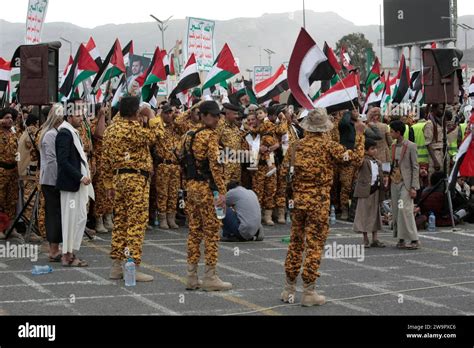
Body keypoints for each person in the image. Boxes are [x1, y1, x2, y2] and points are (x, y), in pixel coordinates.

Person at [281, 108, 365, 307]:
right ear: (324, 128)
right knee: (314, 245)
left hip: (298, 202)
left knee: (295, 242)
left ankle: (289, 288)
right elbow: (355, 159)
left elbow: (285, 172)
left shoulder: (295, 146)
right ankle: (309, 291)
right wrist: (360, 135)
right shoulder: (329, 147)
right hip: (318, 202)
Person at [102, 98, 163, 282]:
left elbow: (105, 159)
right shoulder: (131, 127)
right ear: (134, 112)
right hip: (135, 179)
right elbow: (158, 136)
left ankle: (116, 266)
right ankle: (133, 267)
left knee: (121, 222)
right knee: (136, 222)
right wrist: (152, 115)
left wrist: (108, 184)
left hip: (119, 178)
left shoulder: (111, 128)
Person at [179, 100, 231, 291]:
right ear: (206, 116)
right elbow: (216, 166)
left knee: (194, 231)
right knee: (211, 232)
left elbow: (181, 159)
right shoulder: (209, 136)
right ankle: (210, 276)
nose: (218, 119)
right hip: (209, 189)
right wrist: (222, 192)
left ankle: (191, 276)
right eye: (215, 115)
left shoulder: (188, 135)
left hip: (191, 187)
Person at [56, 99, 95, 267]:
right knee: (70, 220)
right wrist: (80, 176)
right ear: (69, 115)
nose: (82, 118)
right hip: (71, 185)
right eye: (78, 115)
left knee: (79, 218)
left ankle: (71, 253)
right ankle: (67, 256)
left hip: (78, 185)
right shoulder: (64, 133)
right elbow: (63, 162)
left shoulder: (72, 131)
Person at [389, 120, 420, 250]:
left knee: (405, 210)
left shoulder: (411, 146)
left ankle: (414, 239)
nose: (390, 133)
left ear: (398, 132)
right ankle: (400, 238)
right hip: (394, 181)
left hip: (406, 183)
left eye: (392, 131)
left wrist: (414, 187)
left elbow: (415, 167)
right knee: (396, 210)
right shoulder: (393, 146)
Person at [39, 104, 64, 262]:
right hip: (51, 180)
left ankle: (55, 247)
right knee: (53, 215)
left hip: (54, 179)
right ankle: (53, 250)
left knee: (56, 214)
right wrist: (59, 180)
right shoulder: (50, 135)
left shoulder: (55, 132)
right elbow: (52, 160)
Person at [353, 138, 385, 248]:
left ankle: (375, 238)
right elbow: (356, 161)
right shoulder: (362, 161)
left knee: (375, 214)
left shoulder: (378, 162)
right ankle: (365, 238)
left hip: (376, 190)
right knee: (364, 214)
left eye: (375, 148)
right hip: (365, 191)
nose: (375, 150)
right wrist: (360, 148)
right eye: (372, 149)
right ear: (365, 151)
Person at [155, 104, 181, 229]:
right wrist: (159, 115)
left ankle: (171, 217)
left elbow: (183, 121)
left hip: (175, 166)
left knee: (173, 193)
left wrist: (177, 114)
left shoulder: (176, 128)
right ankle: (162, 218)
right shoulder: (159, 127)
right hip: (163, 165)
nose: (169, 115)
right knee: (163, 193)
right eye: (167, 113)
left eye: (171, 113)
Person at [0, 107, 24, 241]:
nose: (9, 120)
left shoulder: (13, 133)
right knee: (0, 200)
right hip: (1, 170)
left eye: (11, 118)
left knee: (12, 200)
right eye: (7, 117)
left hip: (13, 171)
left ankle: (10, 227)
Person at [337, 108, 360, 220]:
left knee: (356, 186)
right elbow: (344, 122)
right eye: (354, 111)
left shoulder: (359, 126)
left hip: (358, 160)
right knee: (346, 185)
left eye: (357, 111)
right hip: (347, 160)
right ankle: (344, 209)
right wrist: (348, 112)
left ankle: (354, 211)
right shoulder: (345, 126)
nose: (357, 113)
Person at [424, 104, 458, 176]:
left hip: (444, 153)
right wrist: (435, 161)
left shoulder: (441, 123)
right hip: (436, 154)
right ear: (434, 109)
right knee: (435, 178)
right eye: (440, 109)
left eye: (443, 109)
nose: (442, 111)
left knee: (445, 178)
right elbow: (428, 144)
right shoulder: (430, 124)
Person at [217, 103, 245, 185]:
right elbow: (214, 143)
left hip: (237, 164)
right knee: (225, 188)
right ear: (228, 114)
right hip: (225, 165)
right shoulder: (220, 126)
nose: (237, 116)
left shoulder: (235, 127)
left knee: (236, 188)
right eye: (235, 114)